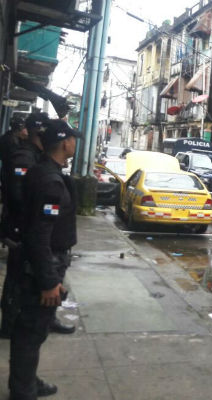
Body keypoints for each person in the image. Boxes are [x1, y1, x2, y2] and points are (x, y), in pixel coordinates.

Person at [9, 119, 81, 400]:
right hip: (43, 264)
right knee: (31, 331)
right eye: (73, 138)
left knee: (33, 330)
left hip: (41, 261)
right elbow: (40, 235)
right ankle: (23, 391)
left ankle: (26, 382)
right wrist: (49, 280)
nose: (76, 143)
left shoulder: (44, 172)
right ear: (65, 143)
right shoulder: (49, 180)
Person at [0, 113, 48, 337]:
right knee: (17, 277)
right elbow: (20, 198)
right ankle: (9, 324)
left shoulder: (35, 156)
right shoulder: (23, 157)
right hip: (19, 230)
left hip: (27, 230)